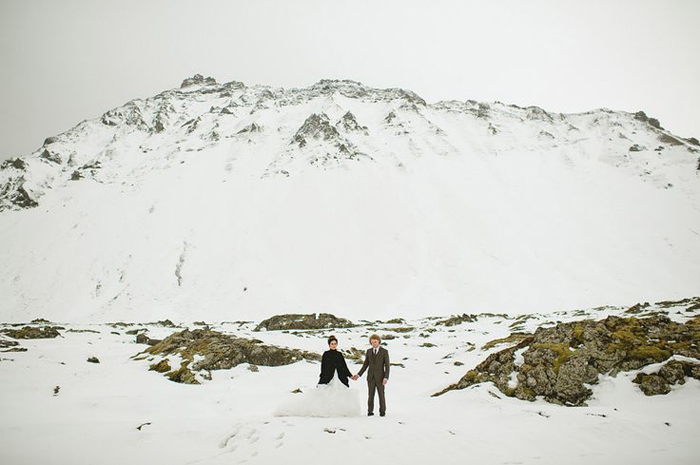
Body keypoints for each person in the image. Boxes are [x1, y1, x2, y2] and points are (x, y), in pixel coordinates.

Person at [273, 335, 361, 417]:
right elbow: (323, 368)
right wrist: (322, 378)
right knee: (324, 393)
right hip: (328, 377)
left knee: (340, 392)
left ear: (337, 344)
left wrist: (350, 376)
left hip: (339, 378)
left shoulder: (339, 354)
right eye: (332, 344)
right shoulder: (326, 354)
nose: (333, 345)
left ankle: (340, 411)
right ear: (329, 345)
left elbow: (344, 366)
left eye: (335, 344)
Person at [352, 334, 390, 417]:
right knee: (370, 395)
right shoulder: (369, 351)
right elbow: (365, 365)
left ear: (379, 341)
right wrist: (358, 375)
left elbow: (387, 366)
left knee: (381, 395)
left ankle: (382, 412)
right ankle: (370, 411)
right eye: (372, 342)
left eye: (375, 342)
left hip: (380, 377)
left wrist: (386, 377)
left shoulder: (384, 351)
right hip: (370, 377)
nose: (374, 344)